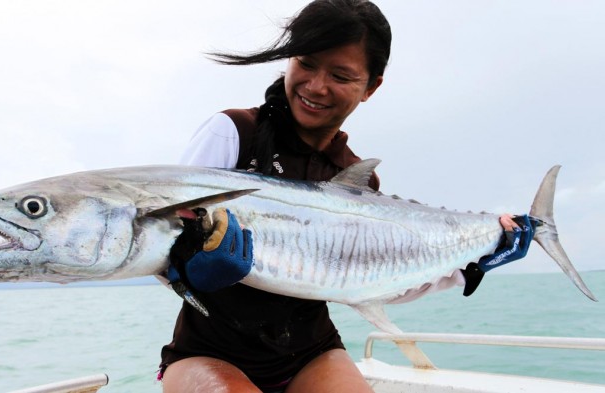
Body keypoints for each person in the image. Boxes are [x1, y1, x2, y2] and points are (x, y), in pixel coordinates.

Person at [158, 1, 532, 392]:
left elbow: (379, 279)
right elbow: (162, 240)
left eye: (340, 75)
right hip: (209, 351)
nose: (316, 86)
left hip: (310, 353)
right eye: (305, 62)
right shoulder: (234, 134)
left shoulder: (359, 184)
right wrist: (192, 267)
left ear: (371, 86)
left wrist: (472, 265)